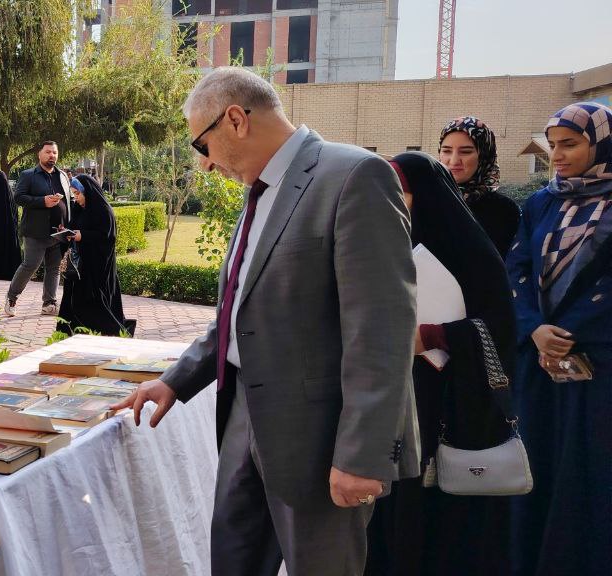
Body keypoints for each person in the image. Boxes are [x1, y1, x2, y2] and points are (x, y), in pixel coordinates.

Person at [113, 67, 419, 576]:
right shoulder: (261, 190)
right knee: (233, 559)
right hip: (243, 416)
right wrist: (175, 381)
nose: (205, 163)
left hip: (320, 437)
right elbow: (240, 311)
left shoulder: (355, 176)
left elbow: (381, 330)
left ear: (235, 119)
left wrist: (362, 455)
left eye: (201, 145)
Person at [365, 152, 515, 576]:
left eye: (400, 193)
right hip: (392, 398)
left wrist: (433, 337)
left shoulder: (472, 253)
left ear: (425, 195)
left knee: (435, 522)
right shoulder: (384, 245)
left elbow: (500, 329)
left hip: (446, 402)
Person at [507, 101, 612, 576]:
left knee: (589, 475)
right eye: (552, 145)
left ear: (601, 144)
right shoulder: (541, 203)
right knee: (538, 468)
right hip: (540, 362)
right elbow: (516, 269)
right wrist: (533, 328)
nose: (556, 156)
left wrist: (570, 332)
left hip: (599, 365)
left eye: (569, 144)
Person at [56, 174, 132, 336]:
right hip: (79, 265)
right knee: (73, 299)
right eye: (74, 194)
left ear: (88, 192)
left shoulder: (103, 210)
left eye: (78, 193)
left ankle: (108, 333)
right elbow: (74, 227)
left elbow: (107, 237)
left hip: (97, 266)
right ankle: (69, 332)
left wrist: (82, 236)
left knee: (95, 302)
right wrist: (66, 232)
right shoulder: (78, 208)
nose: (76, 198)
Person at [4, 141, 73, 317]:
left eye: (54, 152)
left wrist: (69, 224)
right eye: (48, 152)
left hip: (58, 232)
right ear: (39, 155)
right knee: (30, 265)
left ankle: (49, 303)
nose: (52, 155)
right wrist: (42, 201)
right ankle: (11, 297)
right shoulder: (28, 175)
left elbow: (69, 201)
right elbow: (18, 197)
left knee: (54, 268)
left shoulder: (62, 176)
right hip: (35, 231)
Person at [437, 116, 521, 257]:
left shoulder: (505, 211)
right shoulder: (426, 200)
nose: (454, 160)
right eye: (446, 151)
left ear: (484, 155)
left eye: (465, 152)